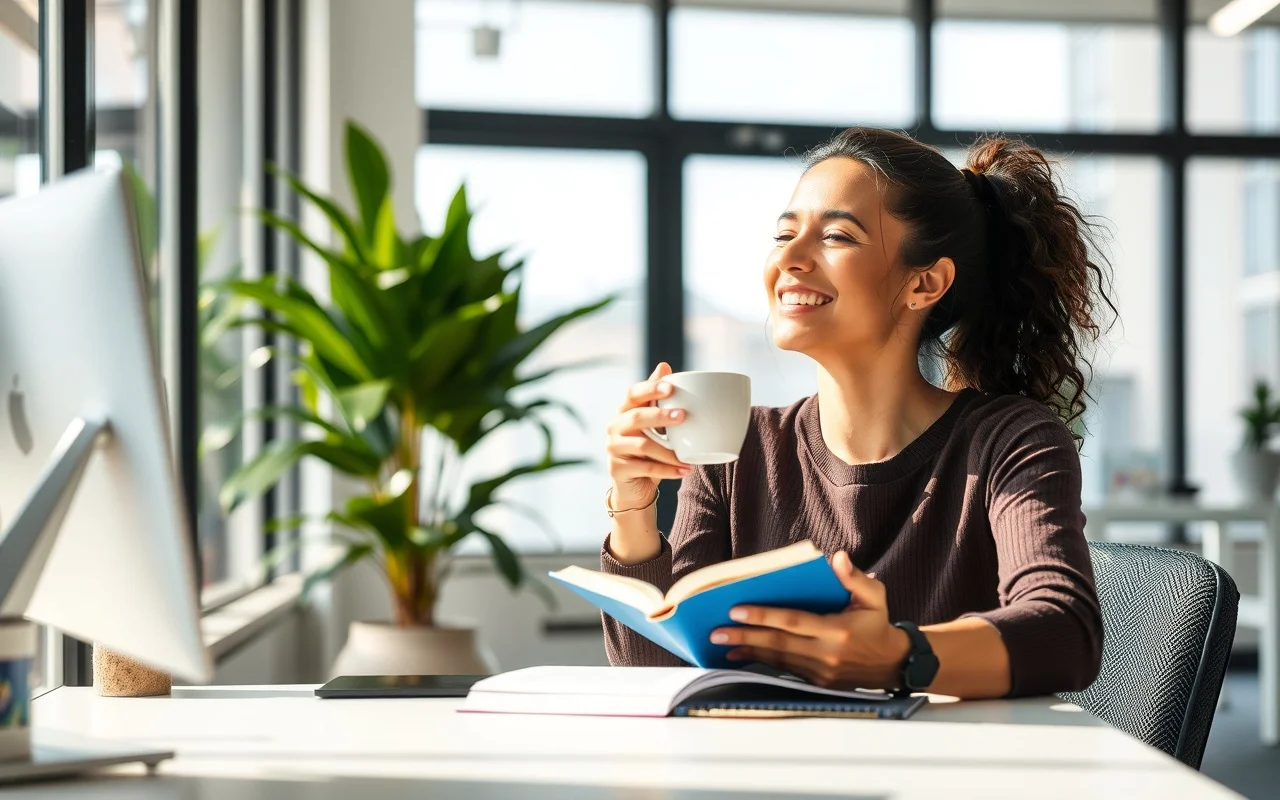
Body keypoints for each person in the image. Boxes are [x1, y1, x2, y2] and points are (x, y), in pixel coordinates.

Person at [601, 127, 1113, 699]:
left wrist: (898, 655)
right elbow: (657, 670)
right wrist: (633, 506)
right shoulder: (738, 449)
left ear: (926, 283)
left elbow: (1064, 634)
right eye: (784, 233)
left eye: (837, 236)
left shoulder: (1009, 440)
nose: (789, 259)